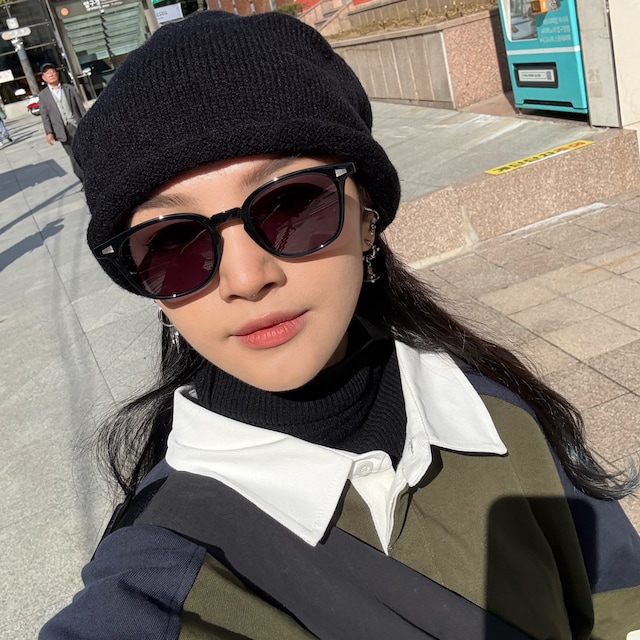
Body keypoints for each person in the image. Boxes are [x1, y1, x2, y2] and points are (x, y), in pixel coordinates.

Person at [40, 11, 640, 640]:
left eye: (291, 203)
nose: (247, 277)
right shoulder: (159, 579)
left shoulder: (497, 415)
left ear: (366, 216)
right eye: (173, 242)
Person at [38, 62, 85, 183]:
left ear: (57, 73)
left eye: (53, 72)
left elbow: (81, 108)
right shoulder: (43, 95)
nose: (51, 74)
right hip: (62, 130)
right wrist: (49, 132)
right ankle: (83, 180)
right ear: (43, 77)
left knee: (84, 152)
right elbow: (45, 116)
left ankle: (92, 177)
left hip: (76, 126)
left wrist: (87, 123)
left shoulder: (69, 88)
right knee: (73, 157)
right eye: (47, 73)